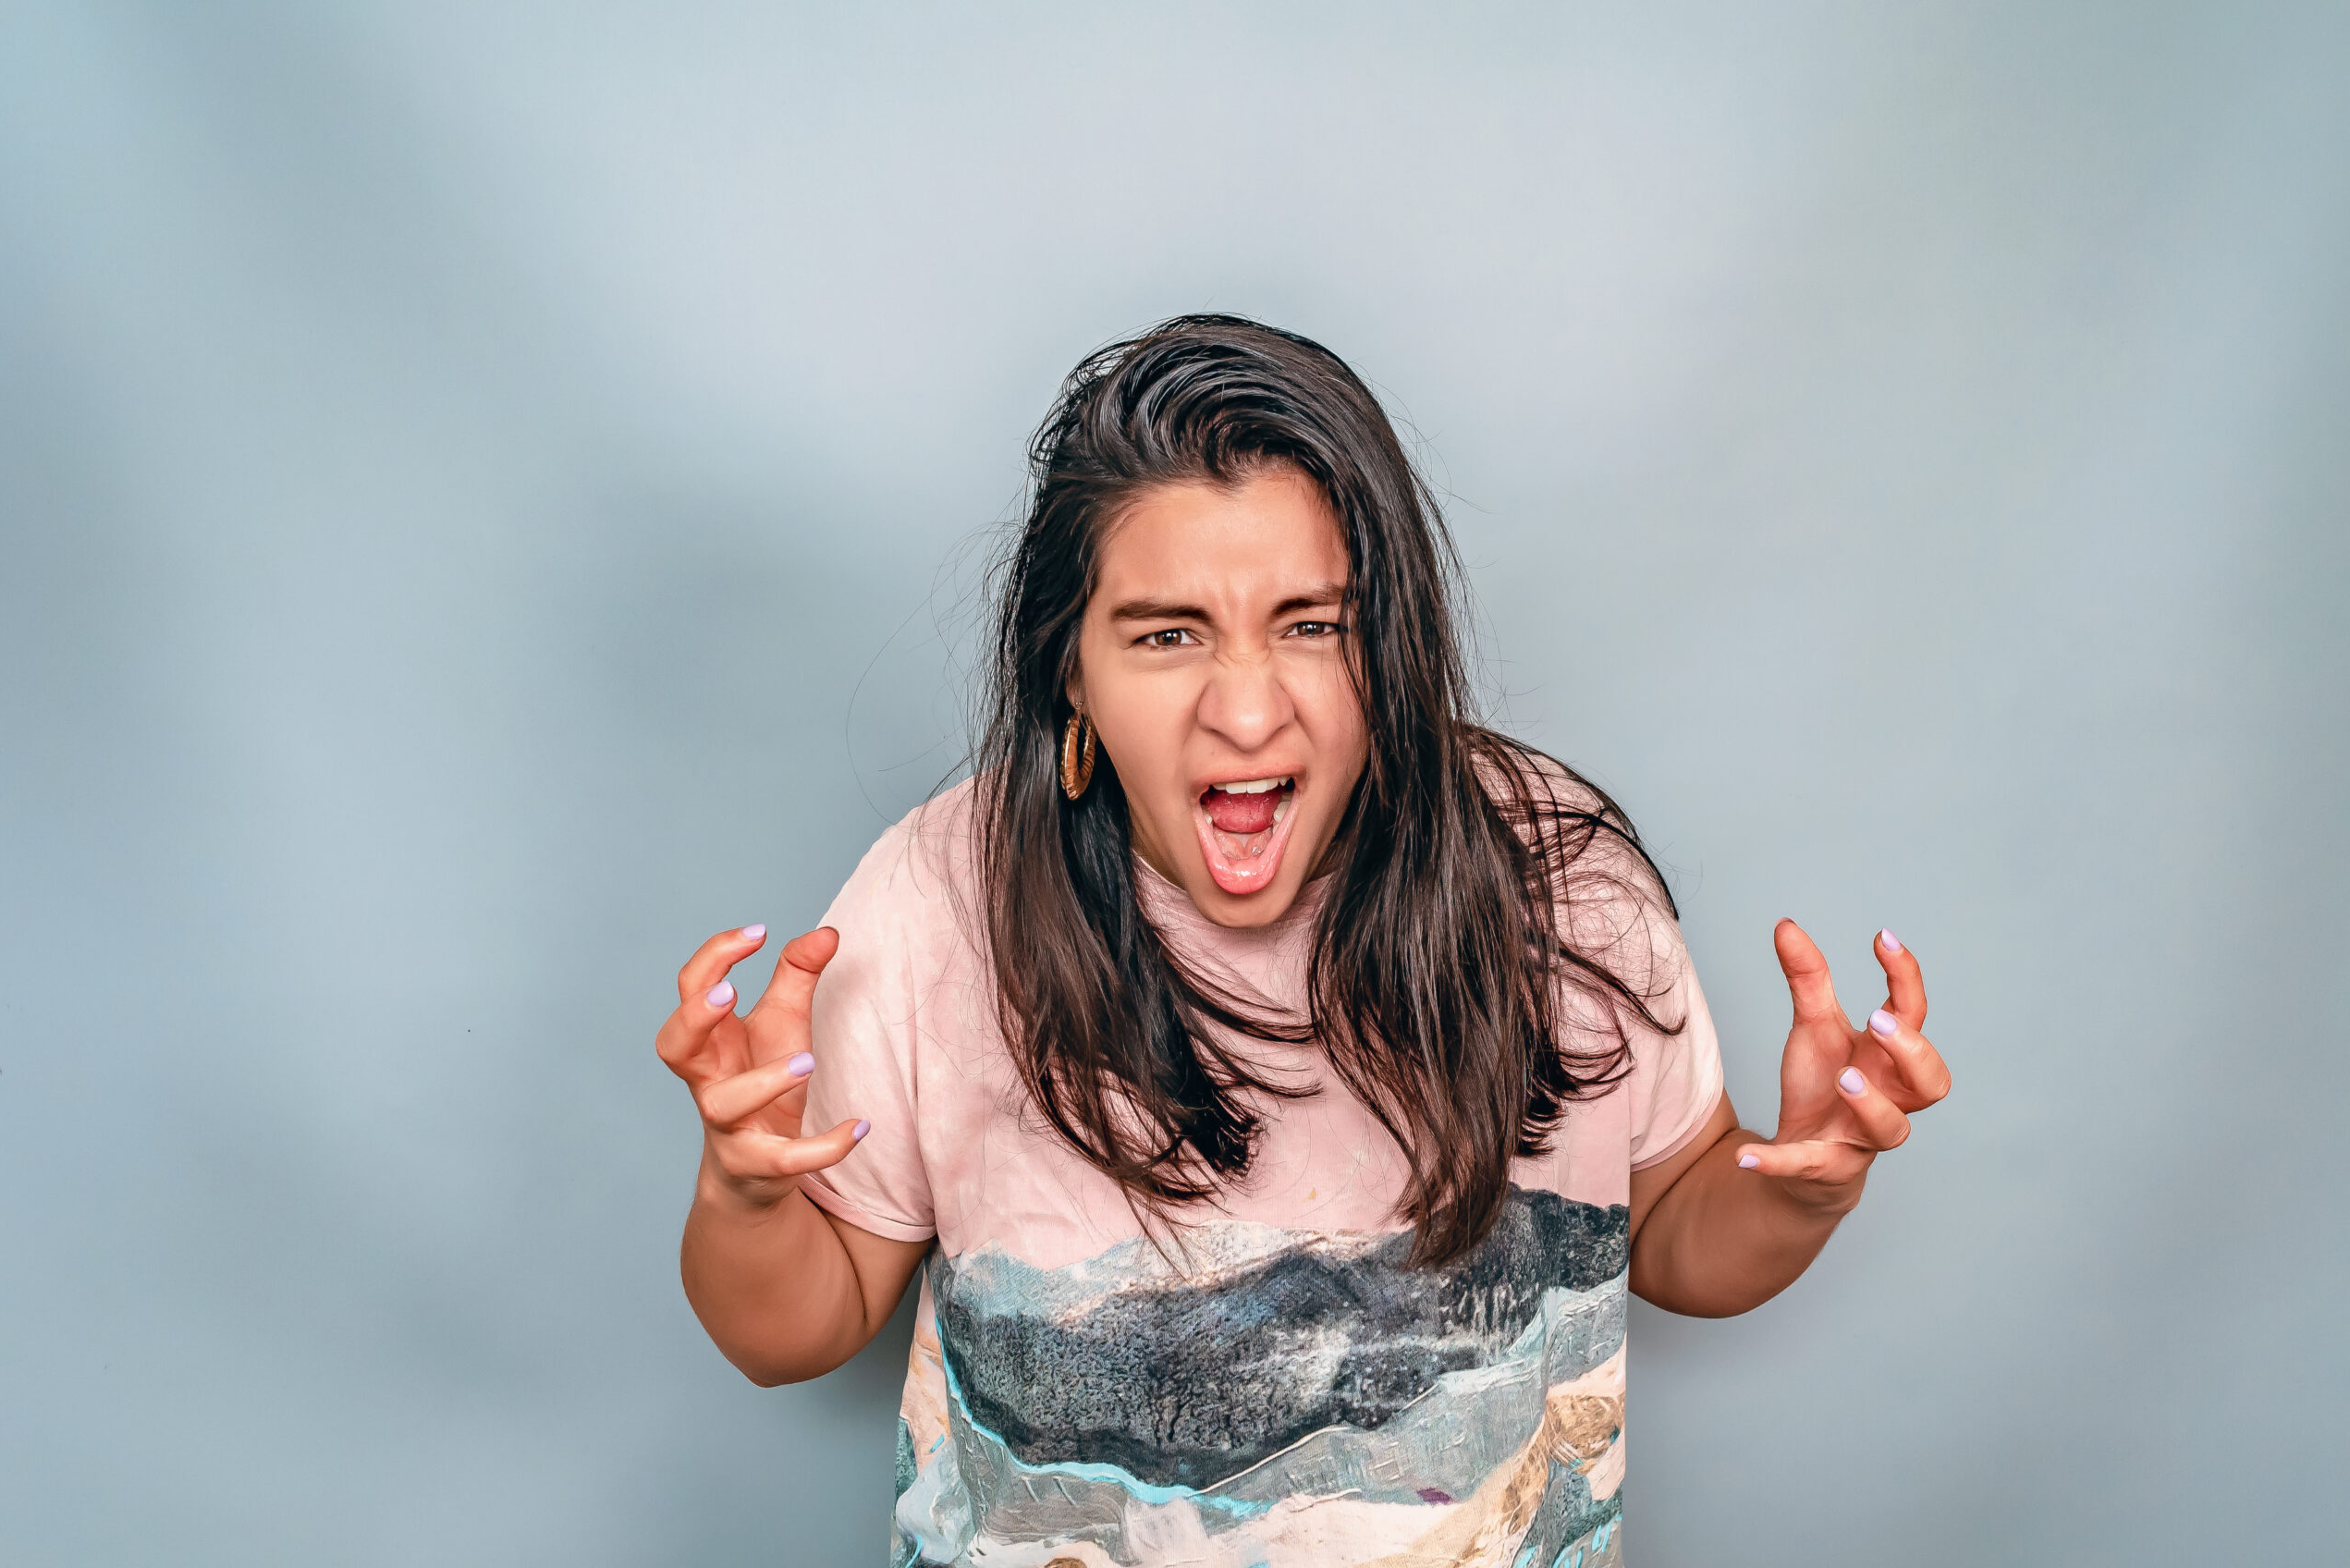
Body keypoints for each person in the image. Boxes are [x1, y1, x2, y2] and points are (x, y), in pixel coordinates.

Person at [654, 315, 1950, 1567]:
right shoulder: (937, 903)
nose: (1246, 707)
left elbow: (1673, 1234)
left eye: (1311, 625)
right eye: (1168, 635)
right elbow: (792, 1333)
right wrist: (746, 1190)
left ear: (1387, 645)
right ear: (1069, 671)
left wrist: (1802, 1188)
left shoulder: (1558, 879)